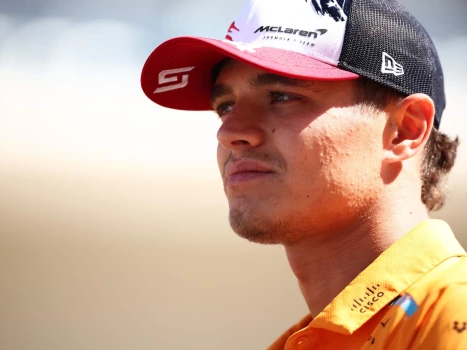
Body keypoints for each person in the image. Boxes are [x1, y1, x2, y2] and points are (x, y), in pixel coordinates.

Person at [141, 0, 466, 348]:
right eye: (226, 106)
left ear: (405, 130)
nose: (228, 132)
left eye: (281, 96)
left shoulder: (452, 309)